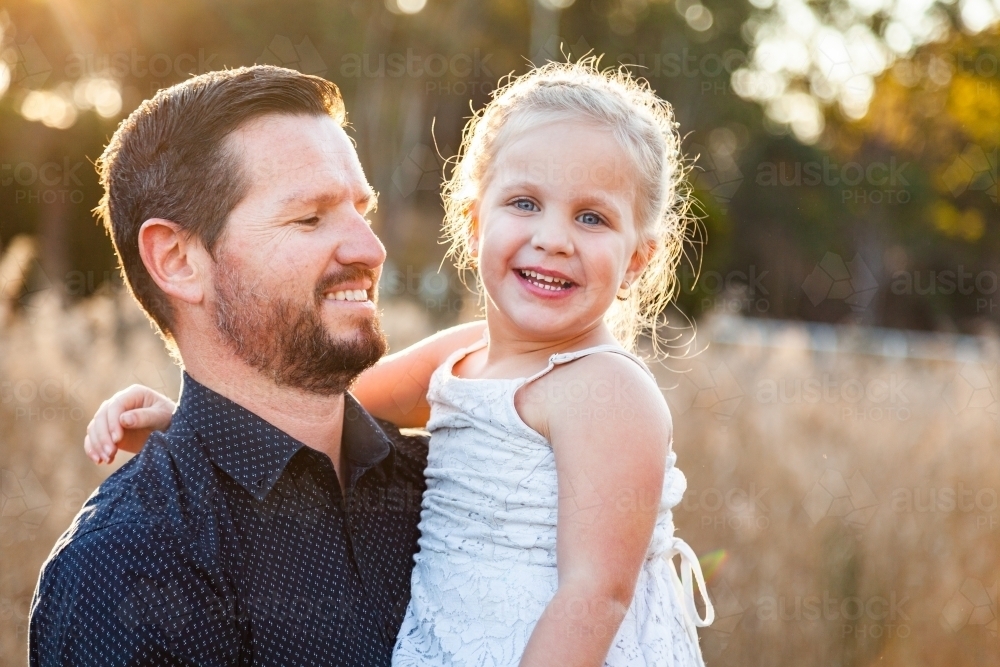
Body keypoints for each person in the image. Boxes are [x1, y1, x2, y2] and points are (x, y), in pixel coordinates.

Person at [81, 59, 715, 666]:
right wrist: (188, 427)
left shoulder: (607, 389)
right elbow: (324, 410)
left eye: (592, 217)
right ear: (473, 222)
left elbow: (596, 596)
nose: (553, 237)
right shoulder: (460, 356)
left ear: (637, 260)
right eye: (524, 203)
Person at [29, 65, 487, 667]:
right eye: (310, 217)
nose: (370, 251)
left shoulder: (454, 483)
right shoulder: (123, 569)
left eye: (360, 211)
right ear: (177, 260)